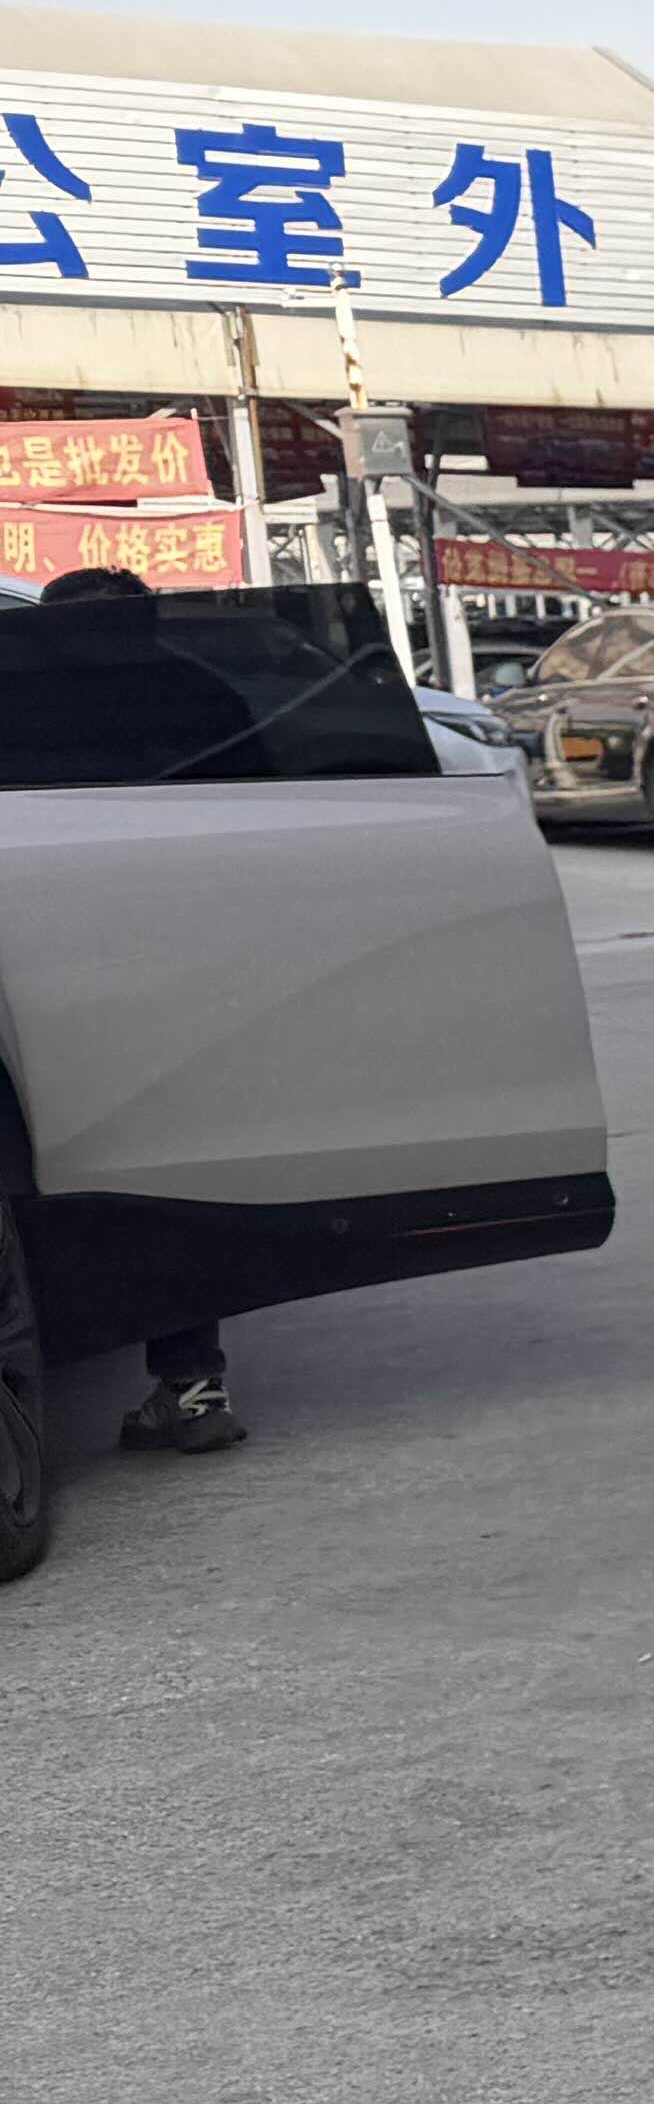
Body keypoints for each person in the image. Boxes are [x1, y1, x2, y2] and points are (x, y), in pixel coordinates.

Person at [23, 573, 246, 1452]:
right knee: (172, 1180)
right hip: (181, 969)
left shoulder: (20, 705)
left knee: (59, 1173)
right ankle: (191, 1387)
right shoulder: (206, 694)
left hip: (43, 978)